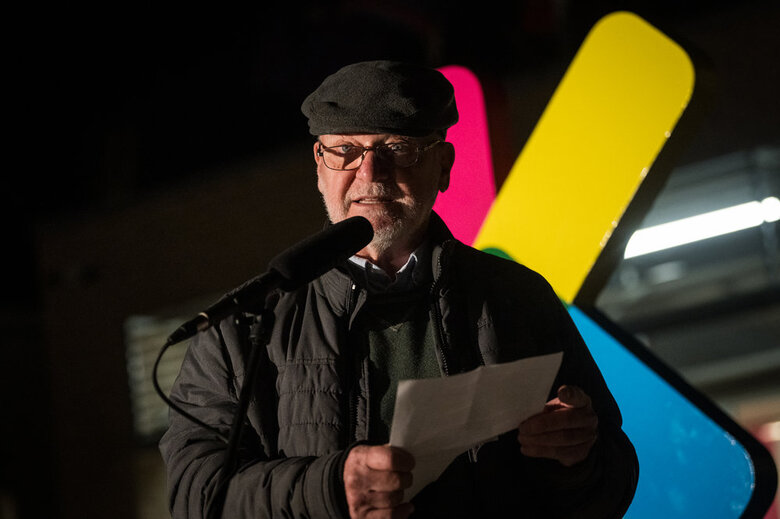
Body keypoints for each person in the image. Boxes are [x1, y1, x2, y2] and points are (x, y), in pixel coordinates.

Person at [159, 60, 639, 518]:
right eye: (345, 151)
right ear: (319, 166)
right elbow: (195, 497)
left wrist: (576, 459)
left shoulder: (518, 298)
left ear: (444, 165)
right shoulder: (242, 325)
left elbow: (612, 483)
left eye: (398, 148)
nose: (370, 174)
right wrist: (329, 490)